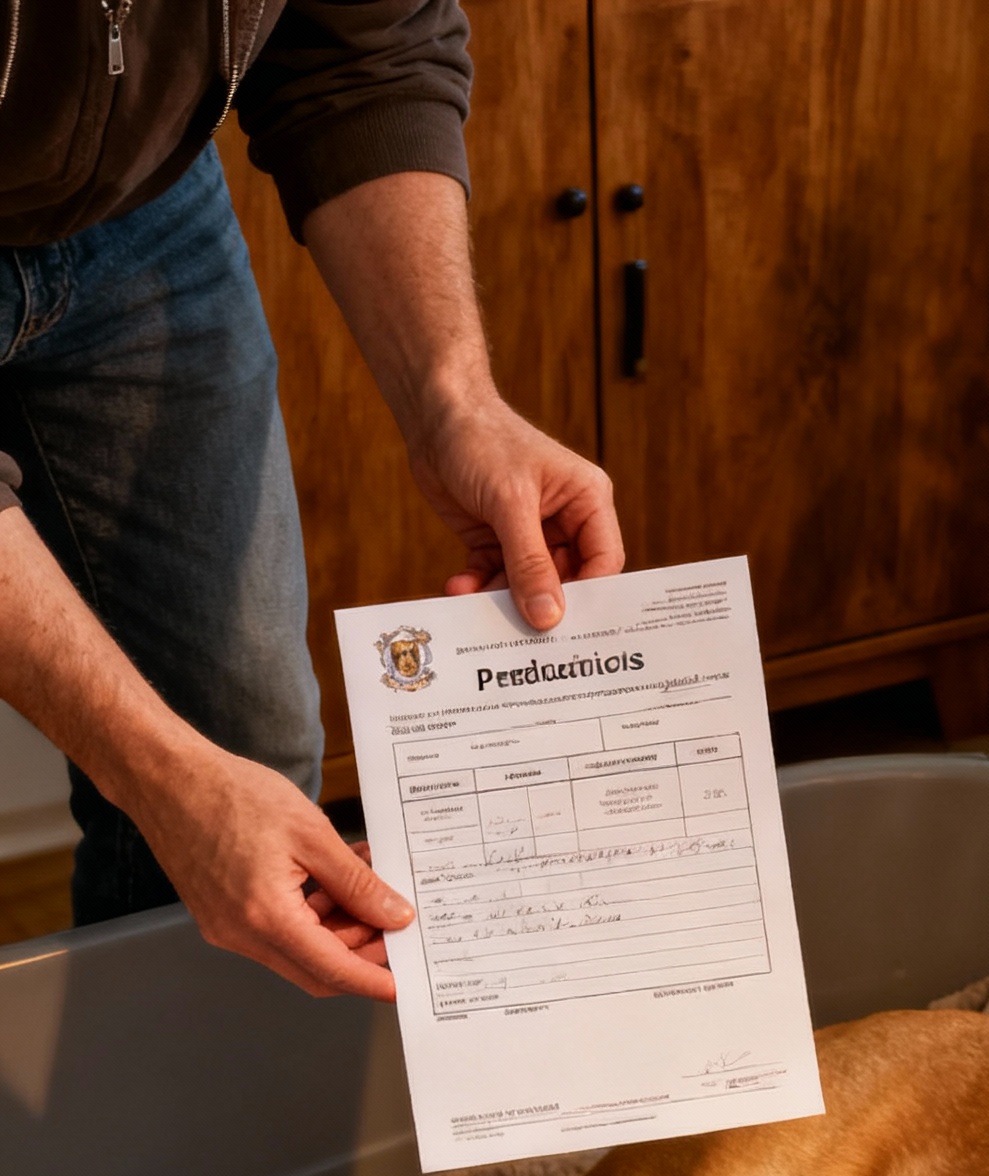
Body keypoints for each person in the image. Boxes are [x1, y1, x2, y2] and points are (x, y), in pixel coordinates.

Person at [0, 2, 624, 1003]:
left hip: (141, 199)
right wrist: (157, 776)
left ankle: (205, 1093)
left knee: (245, 742)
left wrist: (455, 399)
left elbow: (365, 50)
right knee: (185, 781)